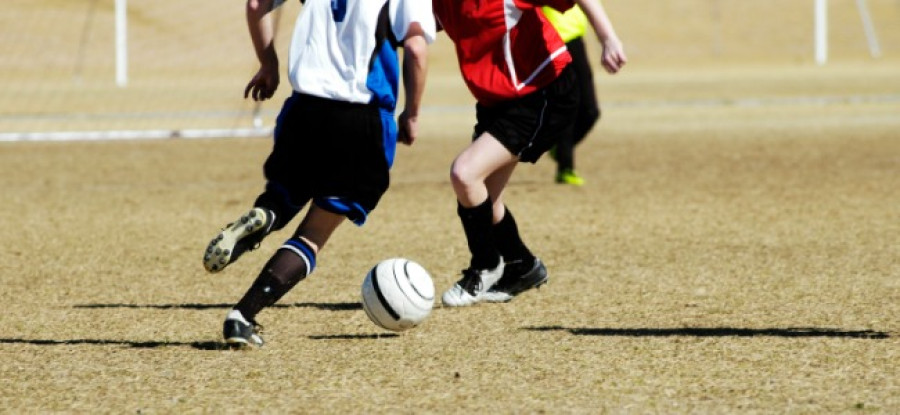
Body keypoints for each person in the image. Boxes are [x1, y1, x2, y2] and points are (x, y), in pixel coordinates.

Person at [202, 0, 434, 347]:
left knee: (285, 195)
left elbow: (255, 5)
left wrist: (268, 64)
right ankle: (242, 316)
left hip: (304, 110)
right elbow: (415, 48)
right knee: (313, 233)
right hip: (363, 116)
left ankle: (268, 213)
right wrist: (411, 114)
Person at [432, 0, 626, 307]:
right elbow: (413, 28)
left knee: (465, 173)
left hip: (542, 93)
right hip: (498, 100)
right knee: (484, 199)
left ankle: (484, 265)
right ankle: (522, 265)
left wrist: (608, 38)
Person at [543, 5, 599, 186]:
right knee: (567, 106)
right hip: (555, 41)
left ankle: (558, 148)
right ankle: (566, 167)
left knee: (591, 111)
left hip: (576, 40)